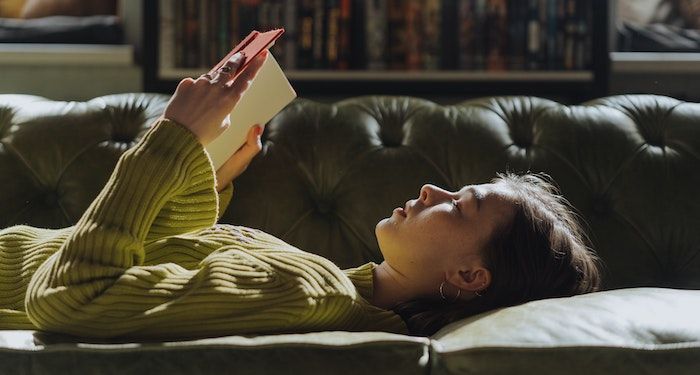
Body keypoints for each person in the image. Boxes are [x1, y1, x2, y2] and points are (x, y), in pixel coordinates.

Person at [0, 50, 601, 339]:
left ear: (472, 277)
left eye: (458, 205)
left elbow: (70, 296)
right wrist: (203, 178)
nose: (429, 187)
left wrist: (170, 141)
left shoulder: (308, 293)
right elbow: (148, 267)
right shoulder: (328, 282)